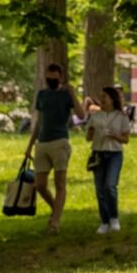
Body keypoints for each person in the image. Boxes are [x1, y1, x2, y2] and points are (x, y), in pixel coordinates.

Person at [23, 63, 85, 233]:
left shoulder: (66, 95)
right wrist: (30, 146)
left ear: (60, 77)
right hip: (42, 143)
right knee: (40, 184)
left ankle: (55, 223)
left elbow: (81, 115)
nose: (50, 80)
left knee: (60, 183)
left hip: (60, 142)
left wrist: (73, 94)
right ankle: (56, 210)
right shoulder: (42, 95)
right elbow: (39, 122)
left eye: (53, 77)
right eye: (47, 77)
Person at [84, 85, 132, 235]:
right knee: (100, 189)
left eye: (104, 97)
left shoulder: (121, 117)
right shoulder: (95, 116)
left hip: (114, 154)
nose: (102, 99)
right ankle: (104, 221)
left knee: (110, 186)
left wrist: (114, 135)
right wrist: (91, 131)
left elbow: (126, 139)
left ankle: (114, 218)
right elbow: (88, 138)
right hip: (98, 153)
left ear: (112, 99)